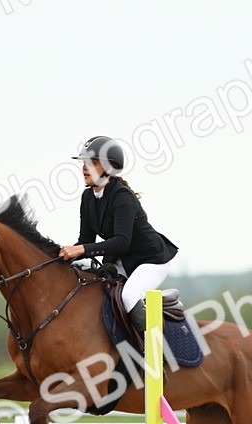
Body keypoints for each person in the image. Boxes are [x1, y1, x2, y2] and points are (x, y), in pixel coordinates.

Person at [57, 135, 178, 335]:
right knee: (95, 291)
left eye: (93, 162)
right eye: (84, 163)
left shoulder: (123, 196)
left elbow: (122, 242)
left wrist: (81, 249)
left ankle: (156, 349)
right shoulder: (88, 197)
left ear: (110, 168)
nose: (85, 167)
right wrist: (60, 255)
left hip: (151, 260)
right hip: (122, 262)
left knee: (129, 296)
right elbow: (86, 241)